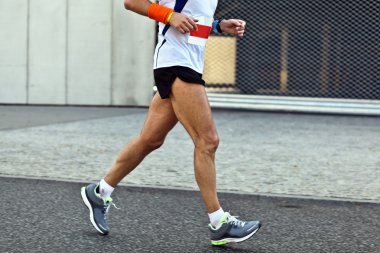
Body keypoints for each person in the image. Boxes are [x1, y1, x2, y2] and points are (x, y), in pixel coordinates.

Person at [81, 0, 261, 245]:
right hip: (176, 63)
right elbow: (131, 2)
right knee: (207, 141)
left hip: (187, 62)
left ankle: (100, 192)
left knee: (150, 140)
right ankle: (219, 222)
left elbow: (192, 17)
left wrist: (219, 26)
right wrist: (168, 16)